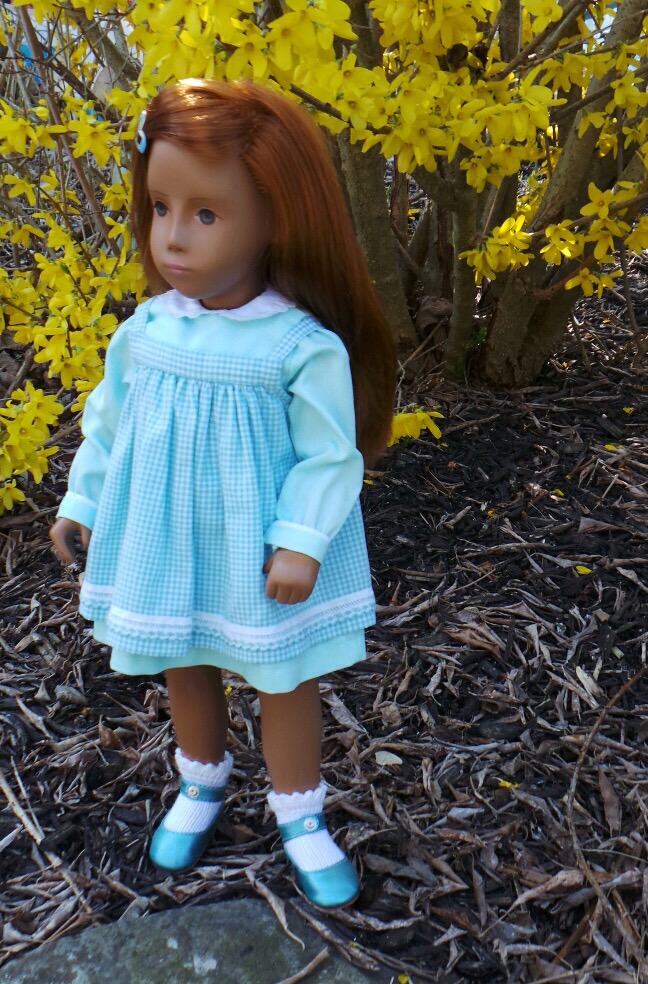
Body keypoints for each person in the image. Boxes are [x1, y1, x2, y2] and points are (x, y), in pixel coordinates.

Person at [50, 78, 396, 909]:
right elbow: (110, 424)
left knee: (282, 673)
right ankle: (200, 780)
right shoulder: (147, 330)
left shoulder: (295, 344)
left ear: (278, 217)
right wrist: (82, 501)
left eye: (206, 214)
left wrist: (302, 541)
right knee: (185, 656)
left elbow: (327, 454)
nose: (173, 236)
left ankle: (300, 813)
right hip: (169, 538)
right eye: (160, 207)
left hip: (258, 546)